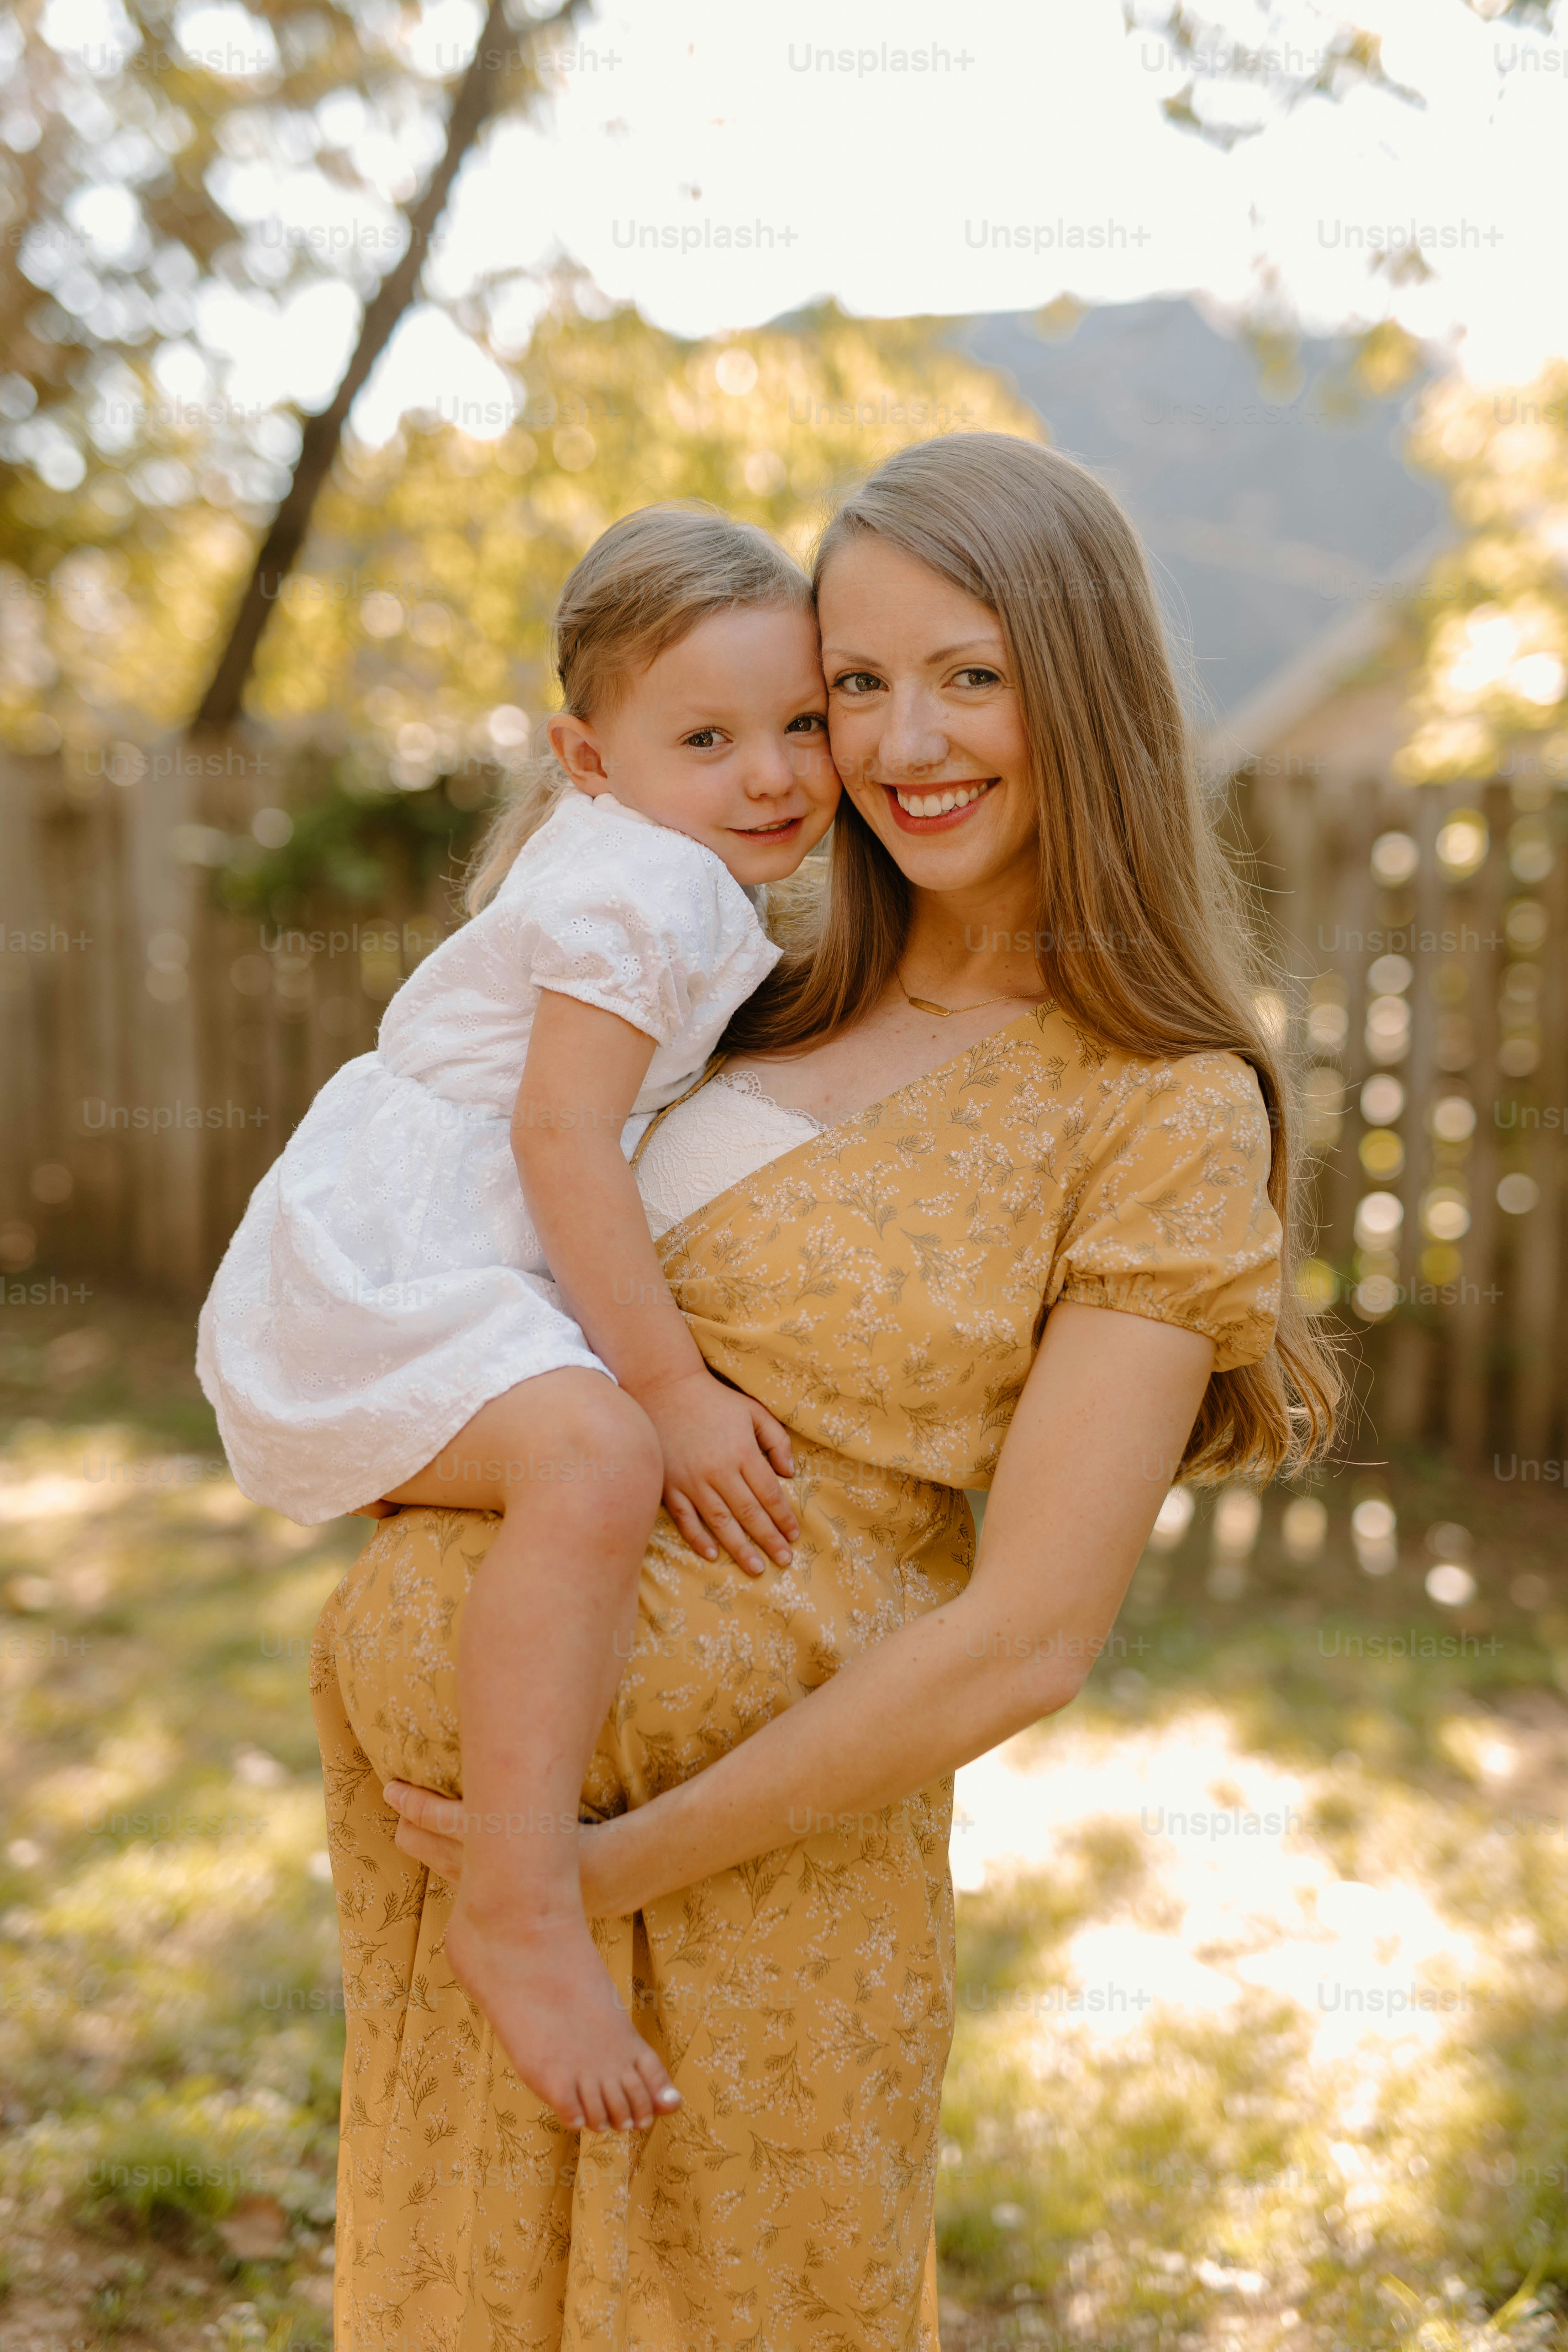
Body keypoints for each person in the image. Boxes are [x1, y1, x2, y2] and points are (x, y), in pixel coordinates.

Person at [312, 432, 1340, 2351]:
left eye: (967, 672)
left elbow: (1027, 1638)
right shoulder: (731, 989)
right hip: (467, 1870)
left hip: (746, 1897)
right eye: (850, 684)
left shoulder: (1155, 1107)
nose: (899, 739)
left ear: (1083, 686)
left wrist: (587, 1869)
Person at [198, 505, 841, 2133]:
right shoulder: (654, 890)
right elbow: (560, 1139)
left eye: (803, 724)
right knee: (601, 1462)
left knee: (580, 1460)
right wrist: (674, 1389)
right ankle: (519, 1893)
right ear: (588, 753)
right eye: (708, 736)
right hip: (399, 1266)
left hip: (382, 1240)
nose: (771, 775)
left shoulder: (648, 857)